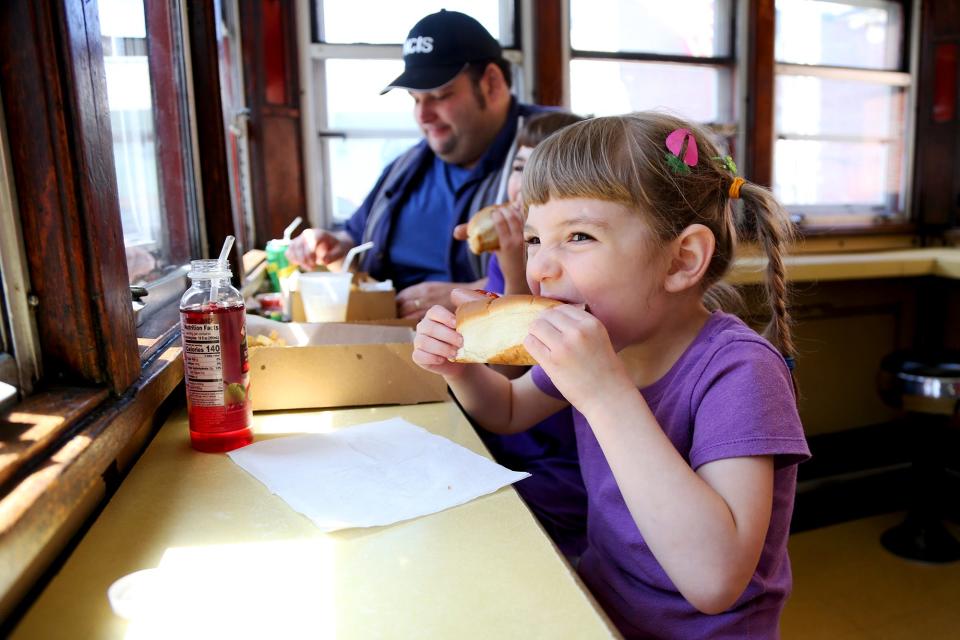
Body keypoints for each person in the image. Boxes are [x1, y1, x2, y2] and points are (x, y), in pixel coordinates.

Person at [412, 112, 810, 638]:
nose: (541, 269)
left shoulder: (739, 371)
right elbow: (508, 412)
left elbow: (715, 581)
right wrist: (457, 370)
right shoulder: (608, 341)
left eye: (577, 236)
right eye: (534, 240)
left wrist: (605, 394)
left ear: (681, 260)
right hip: (599, 608)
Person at [286, 9, 549, 319]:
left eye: (440, 95)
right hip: (386, 335)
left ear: (491, 83)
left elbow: (578, 263)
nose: (423, 116)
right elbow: (354, 239)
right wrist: (333, 245)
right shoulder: (407, 165)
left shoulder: (549, 145)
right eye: (415, 100)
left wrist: (473, 294)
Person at [452, 111, 590, 559]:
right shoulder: (512, 254)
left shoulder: (568, 275)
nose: (523, 184)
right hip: (509, 438)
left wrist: (516, 266)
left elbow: (516, 367)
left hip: (557, 460)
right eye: (519, 167)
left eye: (541, 172)